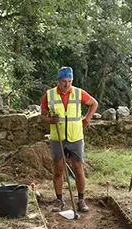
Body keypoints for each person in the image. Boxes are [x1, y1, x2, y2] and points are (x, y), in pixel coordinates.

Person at [39, 66, 99, 213]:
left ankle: (81, 200)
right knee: (58, 170)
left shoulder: (78, 93)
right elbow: (42, 117)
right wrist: (50, 120)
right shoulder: (49, 95)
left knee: (78, 169)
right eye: (64, 81)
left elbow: (94, 103)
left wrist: (87, 119)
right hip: (57, 138)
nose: (67, 84)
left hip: (76, 137)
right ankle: (59, 200)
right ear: (58, 81)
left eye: (70, 81)